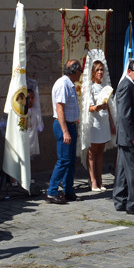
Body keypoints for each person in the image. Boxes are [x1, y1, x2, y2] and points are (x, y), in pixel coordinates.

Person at [113, 59, 134, 214]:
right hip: (129, 137)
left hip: (127, 137)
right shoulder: (126, 86)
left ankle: (120, 200)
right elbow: (124, 116)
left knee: (121, 170)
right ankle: (132, 203)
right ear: (129, 72)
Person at [48, 60, 83, 204]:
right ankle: (51, 191)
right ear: (74, 71)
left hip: (71, 125)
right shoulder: (63, 84)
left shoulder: (69, 84)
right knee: (64, 160)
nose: (81, 73)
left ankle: (68, 191)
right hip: (64, 126)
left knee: (70, 161)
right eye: (80, 70)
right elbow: (60, 109)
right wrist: (65, 131)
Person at [81, 58, 114, 192]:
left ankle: (100, 180)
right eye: (97, 70)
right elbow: (88, 107)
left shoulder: (105, 86)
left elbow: (110, 106)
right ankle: (93, 180)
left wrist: (112, 122)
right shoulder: (90, 86)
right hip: (94, 122)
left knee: (101, 152)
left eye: (102, 69)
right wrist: (98, 107)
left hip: (104, 121)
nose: (100, 72)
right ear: (93, 72)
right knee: (92, 152)